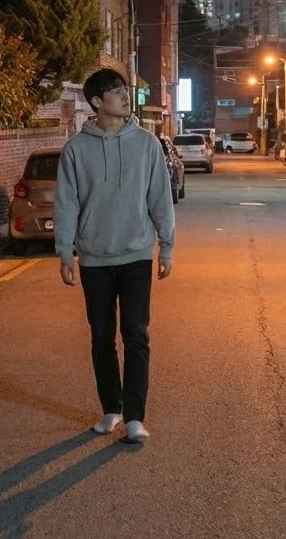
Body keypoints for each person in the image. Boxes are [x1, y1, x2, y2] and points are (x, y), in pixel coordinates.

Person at [54, 68, 175, 443]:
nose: (126, 97)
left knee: (137, 334)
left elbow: (160, 197)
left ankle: (136, 418)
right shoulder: (76, 149)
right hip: (95, 258)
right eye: (117, 92)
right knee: (101, 336)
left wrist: (166, 245)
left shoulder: (147, 144)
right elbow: (67, 203)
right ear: (96, 102)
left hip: (137, 253)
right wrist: (65, 251)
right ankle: (112, 409)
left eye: (125, 90)